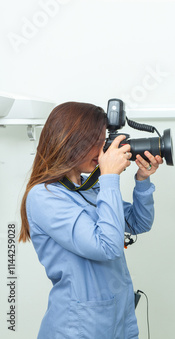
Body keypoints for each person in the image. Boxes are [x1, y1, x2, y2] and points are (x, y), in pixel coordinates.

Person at [19, 101, 163, 338]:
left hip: (118, 318)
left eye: (103, 140)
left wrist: (142, 179)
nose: (102, 150)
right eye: (96, 142)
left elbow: (139, 223)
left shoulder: (87, 188)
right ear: (71, 142)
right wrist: (108, 178)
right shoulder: (44, 196)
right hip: (79, 326)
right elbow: (106, 247)